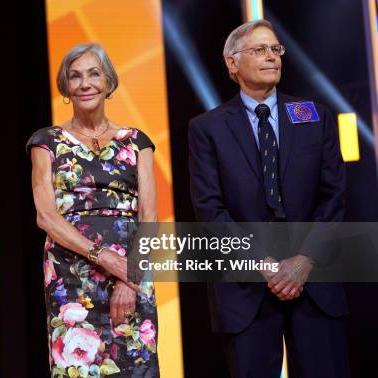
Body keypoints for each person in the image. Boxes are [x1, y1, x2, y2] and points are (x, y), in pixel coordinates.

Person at [188, 19, 348, 378]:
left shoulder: (312, 114)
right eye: (259, 50)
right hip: (246, 287)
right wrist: (265, 265)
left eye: (276, 49)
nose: (272, 57)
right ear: (232, 63)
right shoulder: (207, 128)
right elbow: (210, 209)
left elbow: (334, 195)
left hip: (316, 279)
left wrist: (303, 261)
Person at [27, 43, 160, 377]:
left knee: (134, 366)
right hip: (71, 278)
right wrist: (103, 257)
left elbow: (150, 218)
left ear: (109, 83)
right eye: (75, 77)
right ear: (66, 89)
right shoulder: (47, 141)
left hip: (132, 271)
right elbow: (45, 215)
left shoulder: (136, 141)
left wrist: (129, 281)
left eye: (93, 74)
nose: (85, 83)